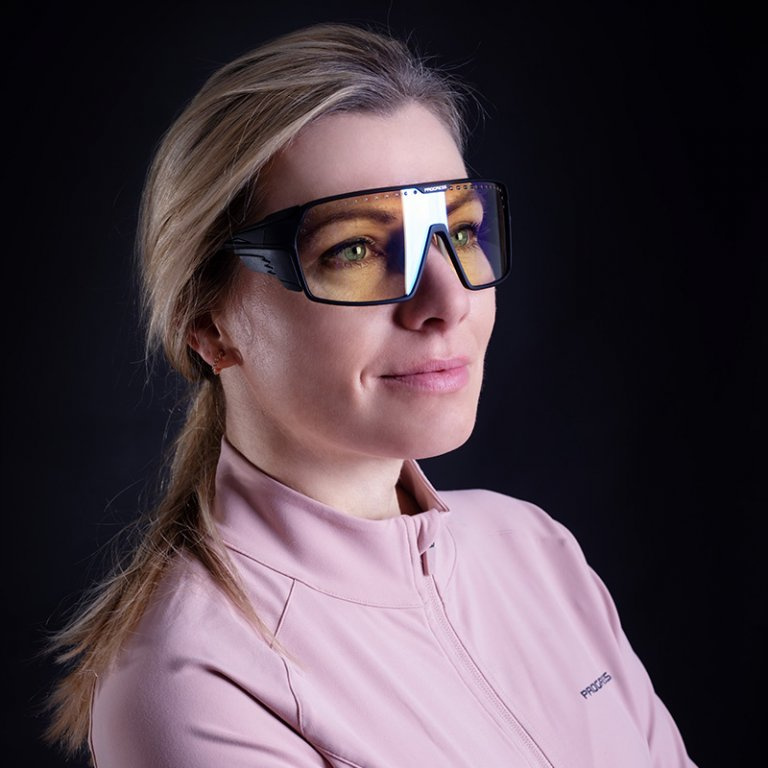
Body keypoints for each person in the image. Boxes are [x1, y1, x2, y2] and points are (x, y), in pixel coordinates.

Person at [44, 21, 697, 768]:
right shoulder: (195, 683)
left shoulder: (534, 549)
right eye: (354, 248)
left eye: (461, 232)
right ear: (209, 325)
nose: (448, 301)